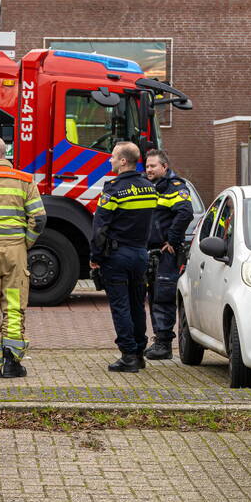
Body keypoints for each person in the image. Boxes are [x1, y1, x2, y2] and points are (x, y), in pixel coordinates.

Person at [0, 136, 46, 378]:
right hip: (16, 251)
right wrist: (25, 242)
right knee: (14, 306)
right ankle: (12, 362)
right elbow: (39, 218)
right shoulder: (24, 179)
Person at [89, 142, 158, 373]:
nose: (110, 160)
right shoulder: (149, 187)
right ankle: (139, 353)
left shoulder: (113, 189)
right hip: (140, 254)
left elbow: (100, 226)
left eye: (113, 157)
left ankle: (128, 355)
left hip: (117, 255)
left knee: (121, 306)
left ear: (123, 161)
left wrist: (95, 256)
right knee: (138, 305)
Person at [143, 149, 194, 361]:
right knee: (154, 295)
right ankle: (159, 341)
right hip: (152, 252)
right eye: (147, 166)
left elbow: (185, 213)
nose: (149, 169)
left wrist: (172, 240)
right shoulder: (151, 187)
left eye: (153, 166)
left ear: (164, 167)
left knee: (163, 296)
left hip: (166, 253)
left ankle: (164, 343)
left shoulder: (175, 187)